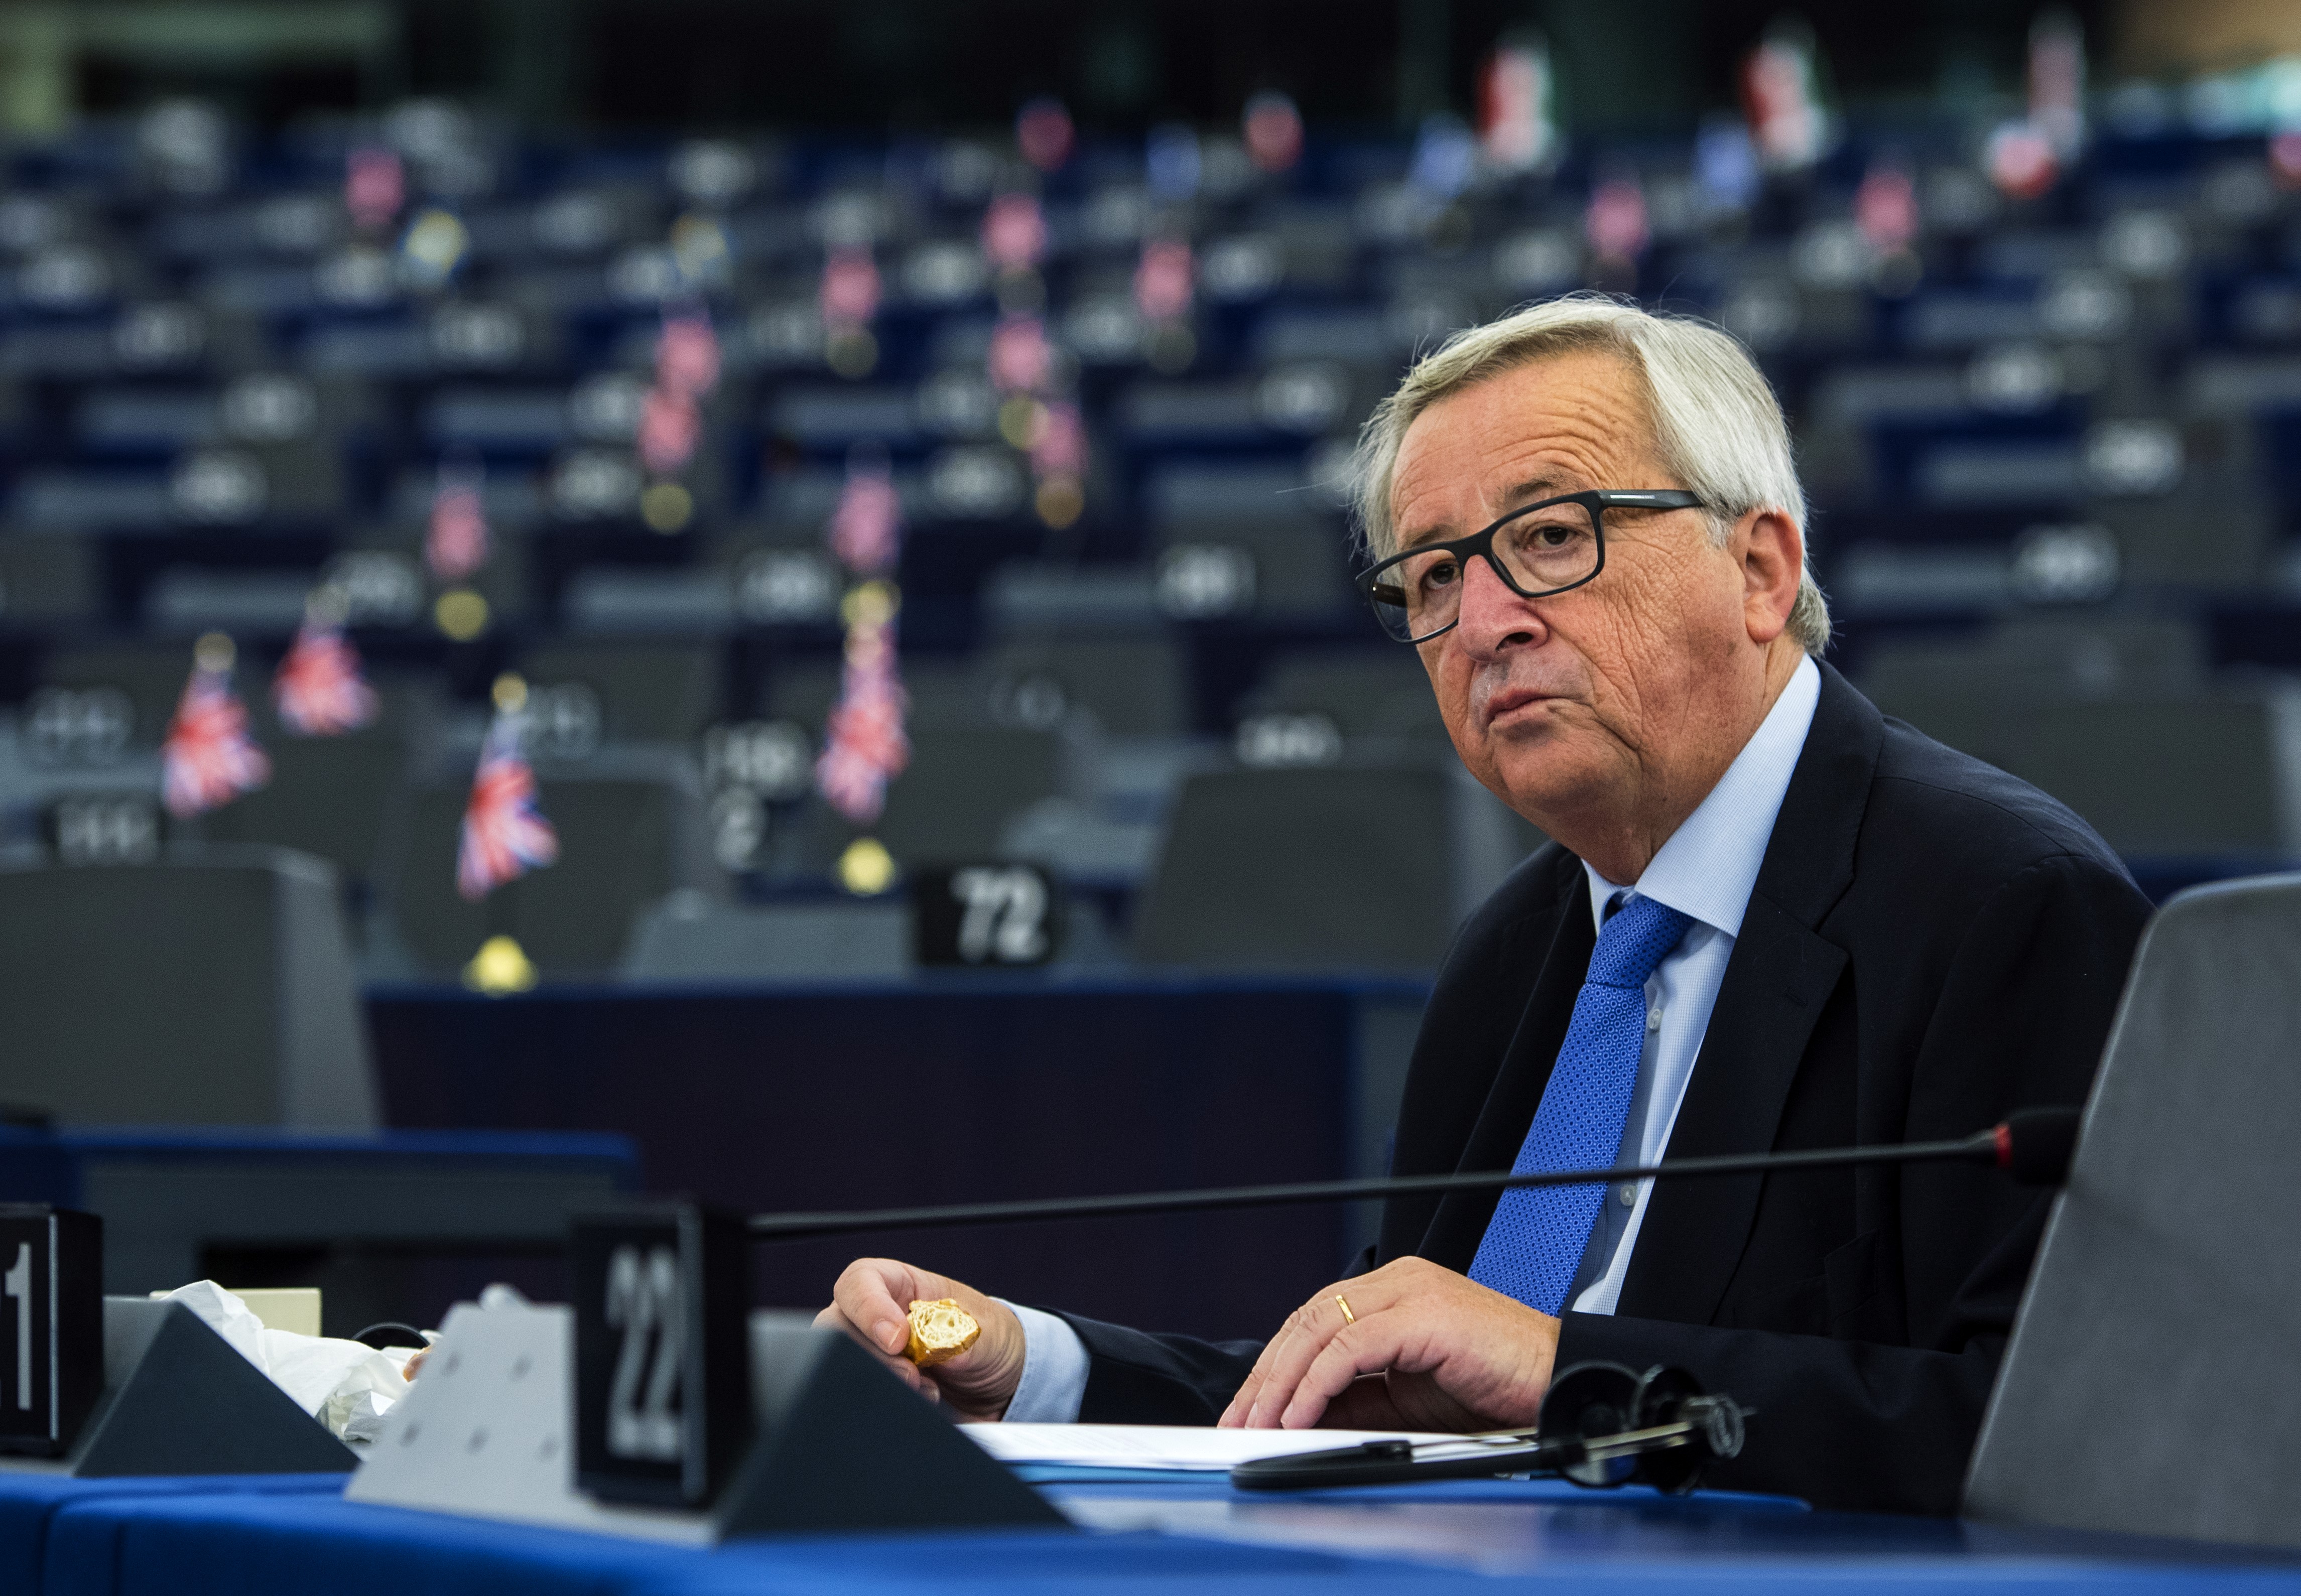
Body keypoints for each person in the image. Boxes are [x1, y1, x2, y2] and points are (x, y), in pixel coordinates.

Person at [818, 296, 2152, 1514]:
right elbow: (1401, 1394)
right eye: (1437, 576)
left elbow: (2075, 1437)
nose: (1486, 620)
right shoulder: (1515, 956)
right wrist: (1028, 1365)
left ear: (1759, 569)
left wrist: (1570, 1369)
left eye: (1551, 537)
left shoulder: (2006, 908)